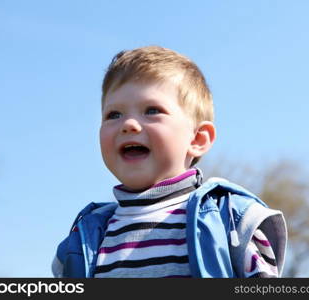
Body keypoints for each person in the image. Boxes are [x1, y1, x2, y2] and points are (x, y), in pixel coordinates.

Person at [52, 46, 287, 278]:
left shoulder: (230, 222)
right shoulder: (83, 242)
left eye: (152, 110)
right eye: (114, 114)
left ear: (197, 139)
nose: (128, 124)